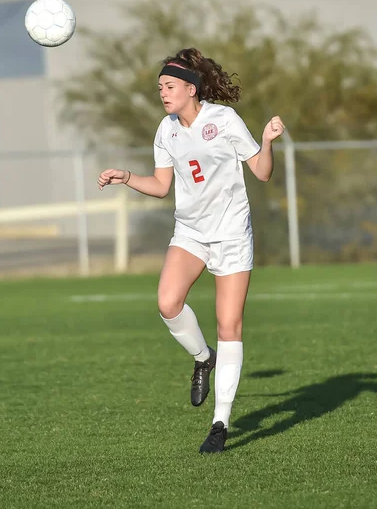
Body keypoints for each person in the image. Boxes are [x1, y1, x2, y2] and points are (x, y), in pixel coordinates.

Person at [98, 48, 285, 453]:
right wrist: (126, 177)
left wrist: (268, 141)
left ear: (191, 88)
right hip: (191, 232)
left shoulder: (224, 120)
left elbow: (262, 173)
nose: (163, 93)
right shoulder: (166, 130)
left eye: (169, 86)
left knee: (228, 325)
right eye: (160, 87)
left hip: (232, 233)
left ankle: (219, 424)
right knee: (167, 303)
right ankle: (203, 358)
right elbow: (162, 186)